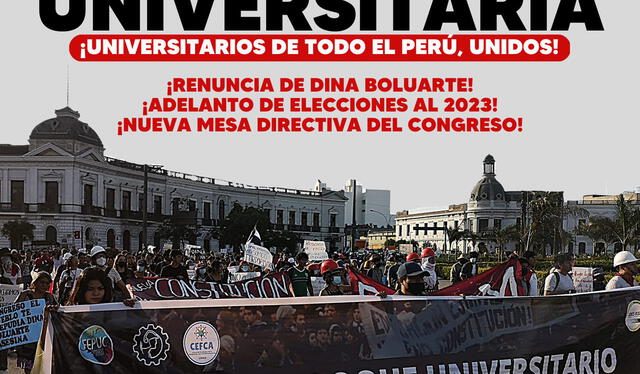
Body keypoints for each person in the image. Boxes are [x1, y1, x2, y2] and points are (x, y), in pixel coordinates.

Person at [15, 272, 58, 373]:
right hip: (28, 337)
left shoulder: (50, 297)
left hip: (44, 335)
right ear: (35, 282)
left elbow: (57, 313)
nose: (44, 285)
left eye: (47, 283)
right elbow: (15, 312)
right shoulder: (25, 295)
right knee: (29, 366)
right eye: (42, 282)